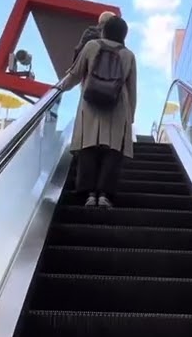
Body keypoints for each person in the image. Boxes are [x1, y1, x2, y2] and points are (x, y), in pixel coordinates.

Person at [57, 15, 136, 208]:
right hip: (118, 106)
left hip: (91, 103)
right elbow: (132, 88)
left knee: (88, 147)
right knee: (112, 151)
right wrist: (130, 117)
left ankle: (89, 194)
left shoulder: (92, 46)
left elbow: (75, 74)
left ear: (105, 29)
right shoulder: (128, 55)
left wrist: (59, 88)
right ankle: (105, 196)